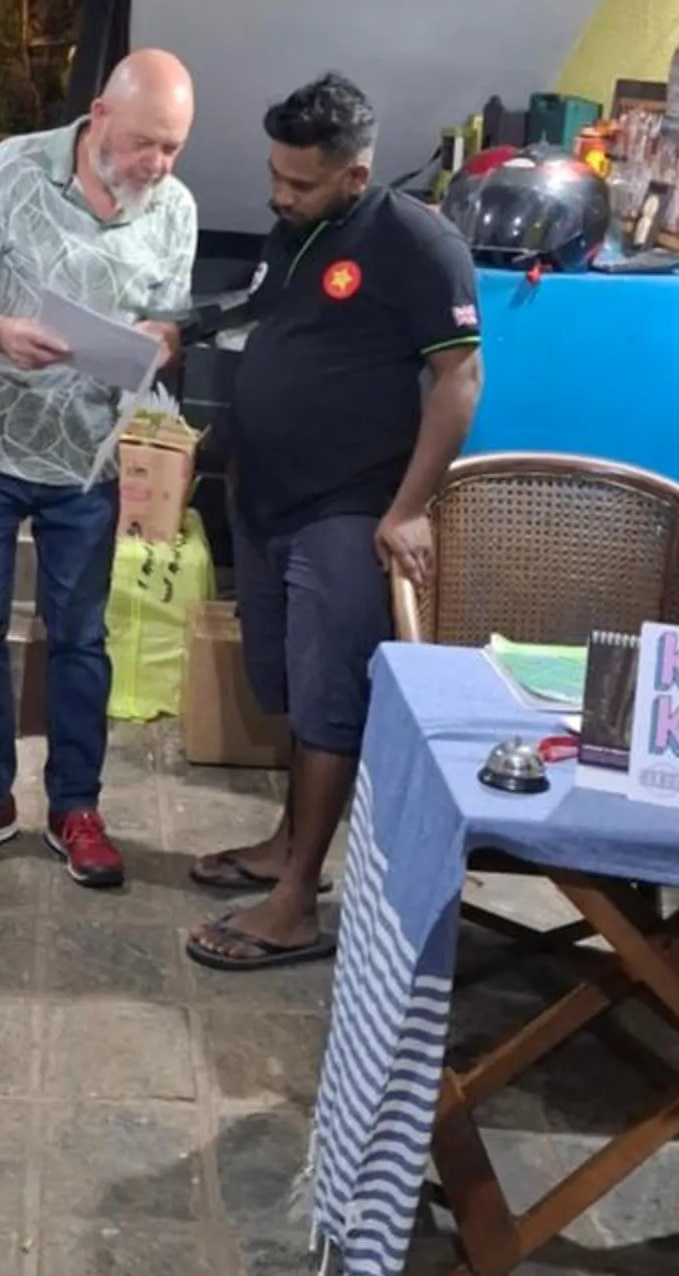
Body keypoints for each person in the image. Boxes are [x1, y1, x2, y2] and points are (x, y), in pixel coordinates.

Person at [186, 72, 482, 971]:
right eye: (275, 174)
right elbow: (272, 319)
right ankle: (286, 847)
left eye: (300, 182)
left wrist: (410, 510)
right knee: (287, 684)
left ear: (355, 176)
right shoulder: (296, 232)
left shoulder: (417, 243)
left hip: (347, 508)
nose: (279, 194)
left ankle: (295, 903)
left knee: (331, 704)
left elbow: (458, 380)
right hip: (266, 497)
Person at [0, 49, 199, 889]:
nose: (158, 163)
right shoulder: (11, 169)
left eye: (174, 148)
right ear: (100, 116)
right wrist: (3, 333)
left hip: (88, 459)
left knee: (80, 637)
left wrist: (164, 342)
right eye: (146, 142)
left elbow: (169, 323)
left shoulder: (174, 209)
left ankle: (76, 805)